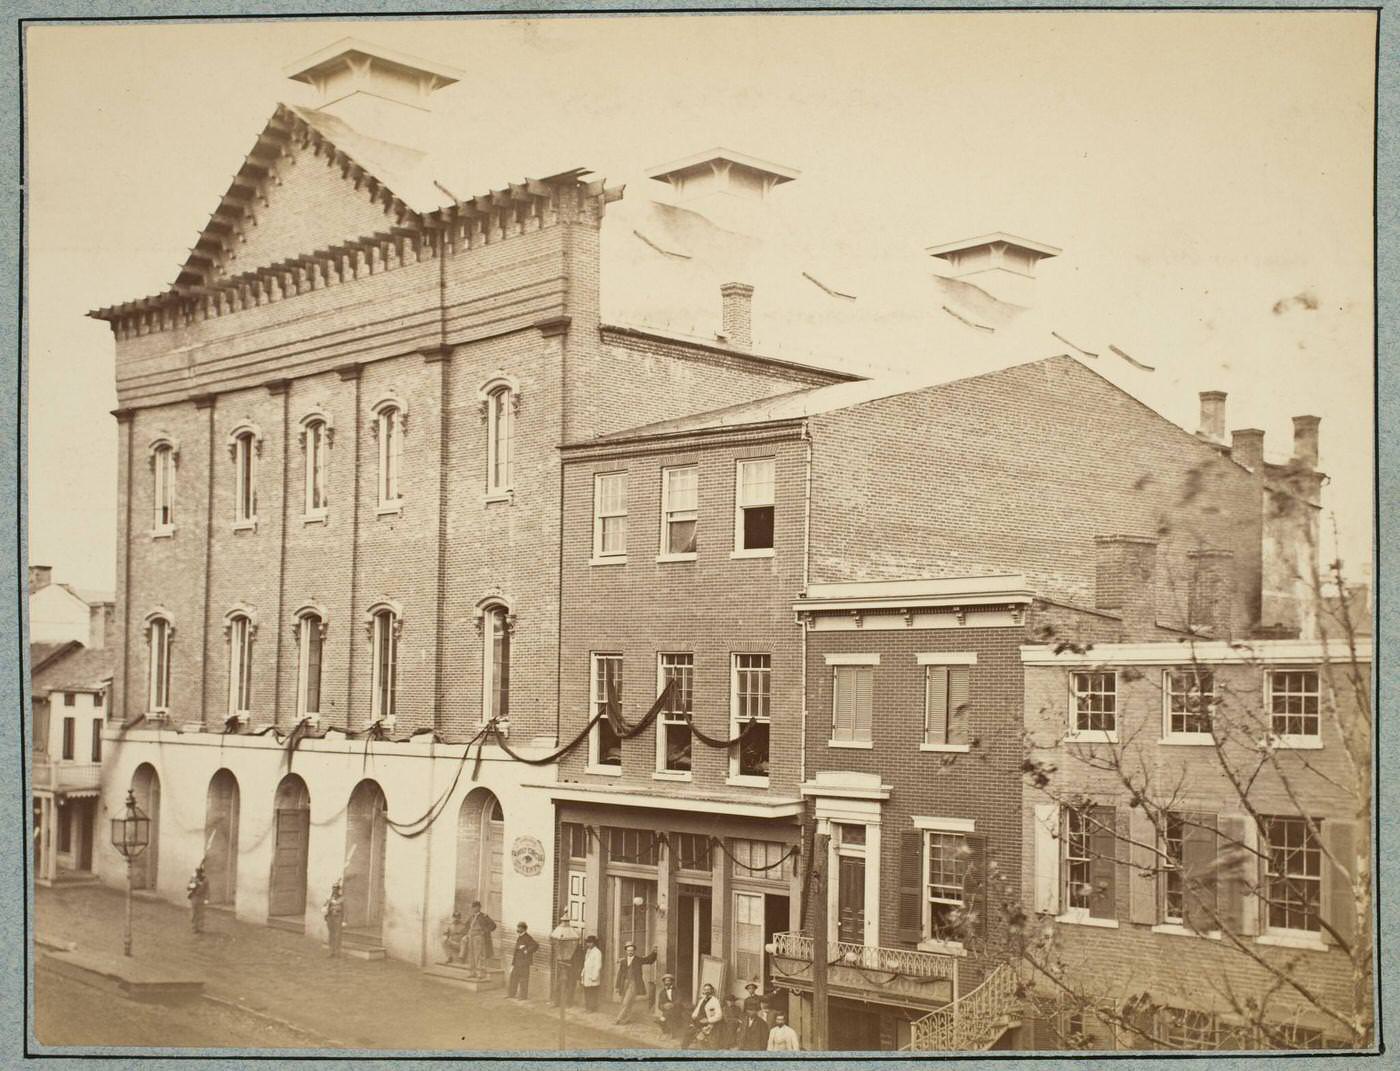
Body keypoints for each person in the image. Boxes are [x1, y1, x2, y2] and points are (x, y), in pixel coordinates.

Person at [613, 942, 657, 1025]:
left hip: (633, 983)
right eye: (628, 950)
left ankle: (618, 1018)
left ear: (634, 951)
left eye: (632, 950)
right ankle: (627, 1018)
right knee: (625, 1001)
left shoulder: (638, 960)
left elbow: (649, 960)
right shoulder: (623, 961)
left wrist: (654, 952)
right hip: (624, 983)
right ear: (626, 951)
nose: (630, 952)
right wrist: (617, 986)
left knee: (626, 1002)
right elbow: (620, 974)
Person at [548, 913, 581, 1006]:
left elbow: (577, 959)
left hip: (571, 967)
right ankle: (557, 1001)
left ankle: (568, 1002)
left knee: (570, 985)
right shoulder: (562, 939)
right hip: (562, 964)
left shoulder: (574, 942)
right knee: (559, 984)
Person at [464, 900, 496, 980]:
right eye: (473, 907)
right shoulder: (472, 917)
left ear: (479, 907)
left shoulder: (484, 916)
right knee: (471, 955)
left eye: (476, 907)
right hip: (471, 936)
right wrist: (466, 935)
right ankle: (472, 972)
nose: (474, 909)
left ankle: (480, 973)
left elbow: (493, 925)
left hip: (479, 937)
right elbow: (467, 926)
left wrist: (484, 931)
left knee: (479, 955)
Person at [686, 982, 724, 1049]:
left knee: (701, 1038)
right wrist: (694, 1017)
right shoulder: (702, 1000)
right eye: (705, 990)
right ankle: (686, 1047)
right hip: (699, 1020)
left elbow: (719, 1015)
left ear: (711, 991)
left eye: (708, 990)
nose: (706, 991)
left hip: (708, 1022)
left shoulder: (715, 1001)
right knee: (688, 1031)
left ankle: (698, 1041)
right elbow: (696, 1010)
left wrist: (708, 1020)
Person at [507, 921, 539, 1000]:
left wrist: (527, 951)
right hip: (517, 963)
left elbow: (536, 945)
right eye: (518, 927)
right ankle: (511, 994)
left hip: (524, 963)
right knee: (513, 978)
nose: (517, 929)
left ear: (524, 929)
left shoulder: (528, 937)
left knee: (523, 979)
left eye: (519, 927)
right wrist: (513, 963)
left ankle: (523, 996)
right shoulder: (519, 937)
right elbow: (516, 951)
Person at [652, 973, 686, 1039]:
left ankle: (672, 1033)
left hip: (677, 1008)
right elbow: (659, 1005)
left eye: (669, 981)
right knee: (666, 1016)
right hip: (667, 1010)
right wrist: (664, 1006)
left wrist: (672, 1004)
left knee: (666, 1017)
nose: (667, 982)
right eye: (666, 981)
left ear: (672, 982)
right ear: (664, 982)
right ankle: (666, 1031)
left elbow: (679, 1000)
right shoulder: (662, 992)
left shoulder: (677, 990)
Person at [579, 935, 603, 1012]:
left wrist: (594, 976)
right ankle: (587, 1007)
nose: (588, 944)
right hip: (587, 974)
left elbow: (598, 965)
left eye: (590, 943)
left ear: (594, 943)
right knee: (587, 992)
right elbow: (586, 963)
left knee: (592, 993)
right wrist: (583, 972)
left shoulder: (597, 952)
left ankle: (592, 1008)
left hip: (592, 975)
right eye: (587, 943)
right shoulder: (588, 951)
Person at [323, 881, 345, 958]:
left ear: (339, 890)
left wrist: (344, 920)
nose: (334, 890)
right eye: (333, 889)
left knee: (338, 935)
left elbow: (346, 910)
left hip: (338, 918)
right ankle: (331, 951)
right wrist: (326, 913)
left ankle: (337, 952)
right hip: (330, 917)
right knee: (331, 934)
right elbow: (324, 907)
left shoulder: (342, 899)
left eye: (336, 889)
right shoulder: (329, 898)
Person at [186, 865, 209, 934]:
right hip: (194, 897)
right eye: (197, 872)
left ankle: (200, 928)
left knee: (201, 913)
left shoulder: (205, 880)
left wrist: (206, 899)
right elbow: (188, 888)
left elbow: (207, 890)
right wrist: (193, 885)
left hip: (201, 897)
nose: (199, 873)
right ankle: (194, 928)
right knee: (194, 913)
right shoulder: (194, 878)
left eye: (200, 872)